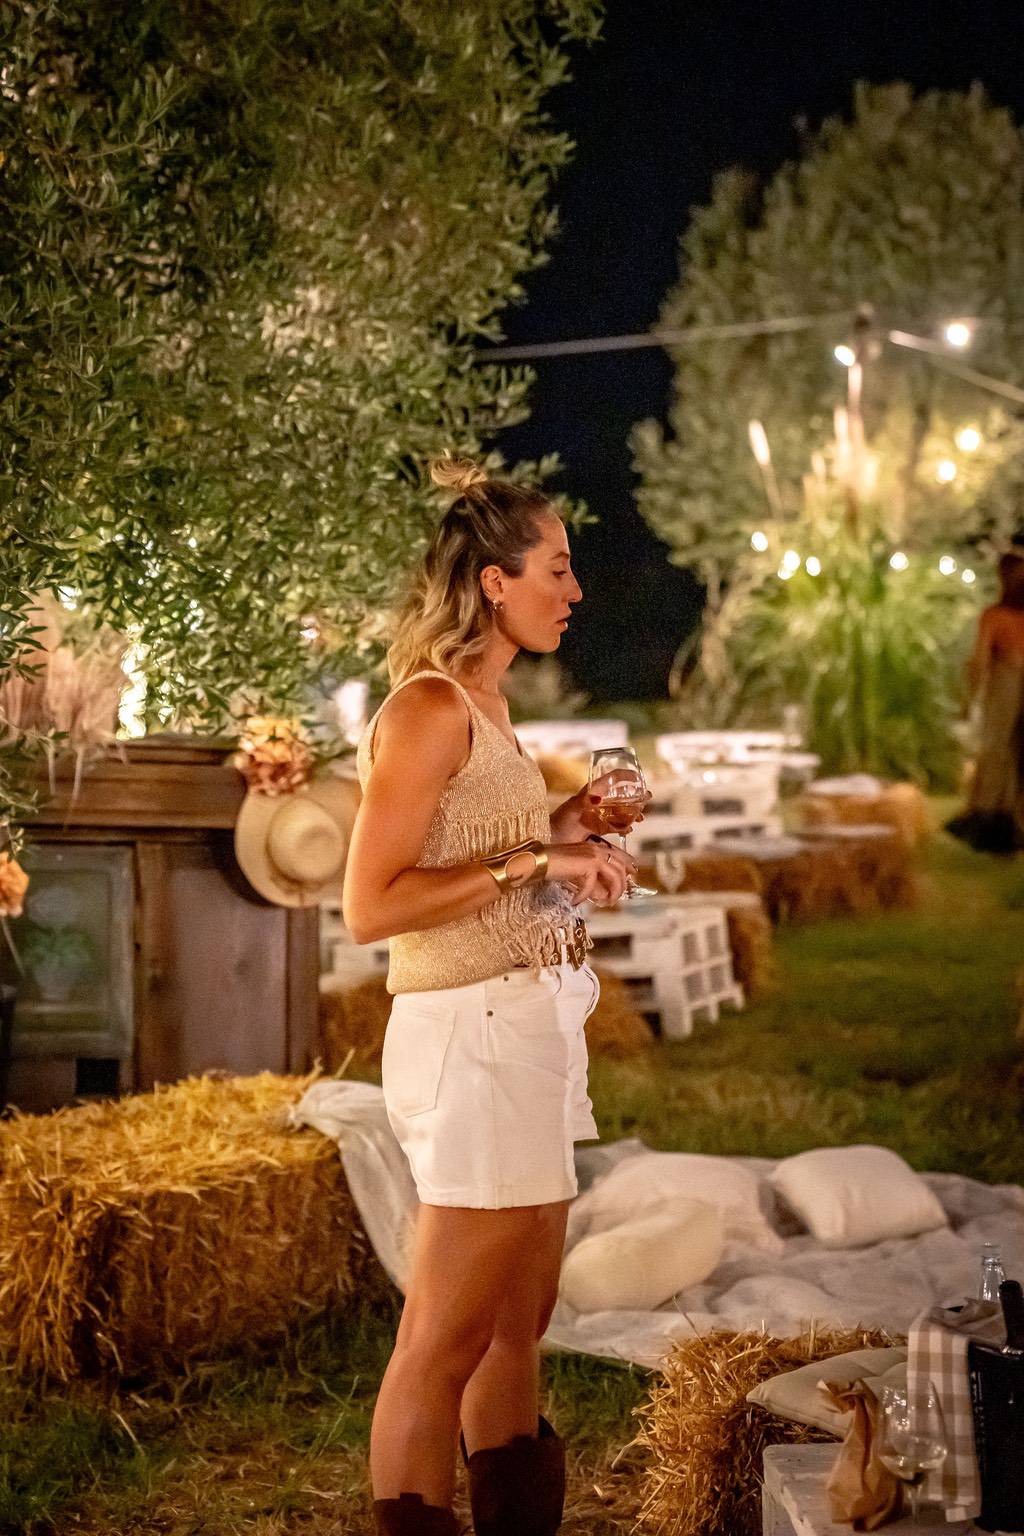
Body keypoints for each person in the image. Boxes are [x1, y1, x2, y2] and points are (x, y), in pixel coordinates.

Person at [343, 456, 641, 1536]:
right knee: (444, 1337)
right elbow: (370, 906)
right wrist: (538, 860)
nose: (574, 590)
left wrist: (574, 830)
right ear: (493, 583)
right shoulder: (429, 708)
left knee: (520, 1323)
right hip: (468, 1035)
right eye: (556, 570)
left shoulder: (489, 703)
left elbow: (490, 852)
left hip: (529, 1026)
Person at [946, 550, 1024, 855]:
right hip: (1011, 680)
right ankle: (1011, 814)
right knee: (1015, 751)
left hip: (1007, 682)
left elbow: (979, 660)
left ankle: (989, 813)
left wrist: (969, 697)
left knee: (996, 747)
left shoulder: (995, 616)